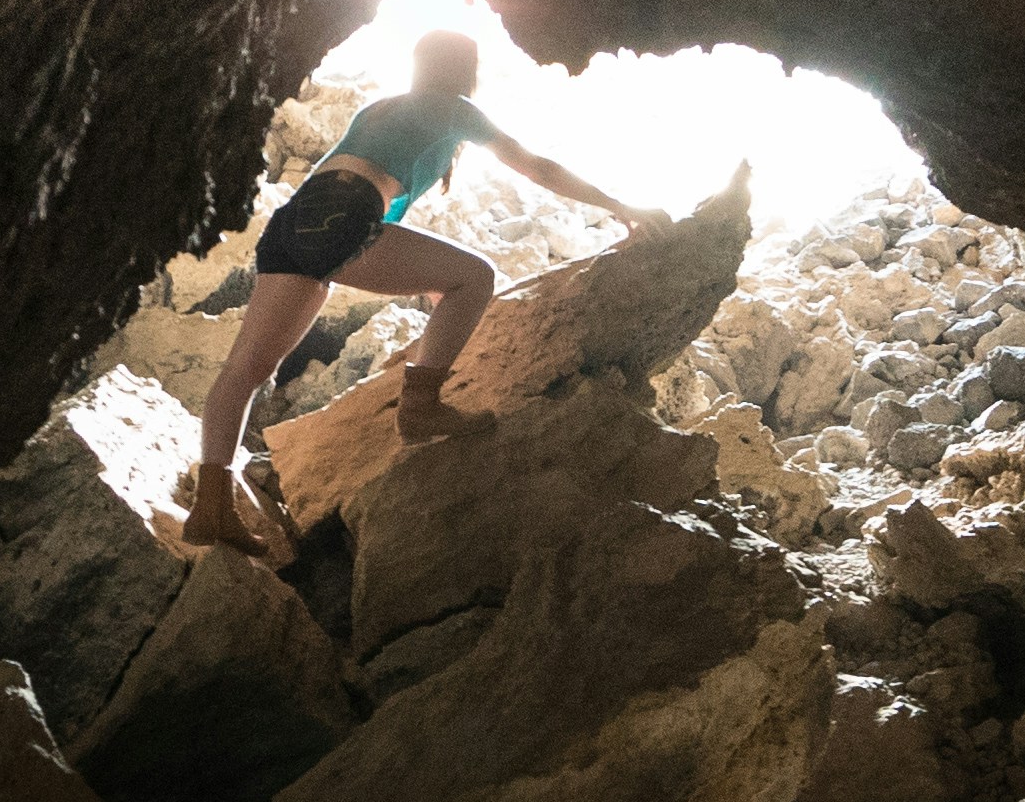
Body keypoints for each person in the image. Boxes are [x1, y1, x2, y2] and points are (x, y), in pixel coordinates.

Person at [181, 29, 671, 556]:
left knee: (245, 370)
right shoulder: (455, 108)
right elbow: (537, 166)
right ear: (465, 72)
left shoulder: (380, 109)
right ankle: (420, 405)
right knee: (473, 277)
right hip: (344, 215)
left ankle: (211, 508)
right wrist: (622, 206)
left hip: (293, 223)